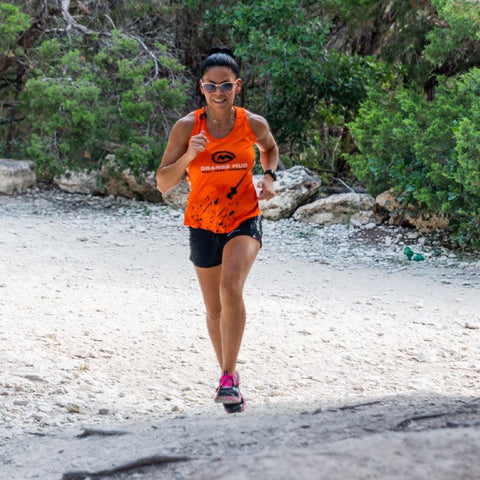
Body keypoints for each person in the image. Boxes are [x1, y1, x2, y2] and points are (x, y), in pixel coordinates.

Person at [156, 47, 279, 413]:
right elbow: (164, 182)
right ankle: (231, 374)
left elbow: (269, 148)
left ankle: (226, 378)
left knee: (230, 288)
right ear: (202, 88)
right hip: (203, 221)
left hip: (244, 216)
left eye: (226, 85)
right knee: (213, 309)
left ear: (237, 86)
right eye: (211, 86)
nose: (219, 92)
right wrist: (189, 156)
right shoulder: (186, 127)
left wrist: (269, 176)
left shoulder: (251, 123)